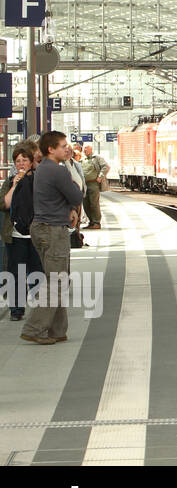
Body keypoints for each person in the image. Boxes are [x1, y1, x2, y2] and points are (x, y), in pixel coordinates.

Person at [22, 132, 83, 344]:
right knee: (57, 281)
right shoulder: (57, 170)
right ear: (51, 149)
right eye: (63, 146)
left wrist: (68, 207)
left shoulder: (43, 169)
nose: (67, 149)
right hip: (53, 230)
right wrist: (72, 201)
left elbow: (59, 198)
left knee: (59, 279)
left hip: (44, 228)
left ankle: (57, 330)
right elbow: (76, 195)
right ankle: (34, 328)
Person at [2, 146, 44, 321]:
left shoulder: (39, 181)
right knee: (16, 272)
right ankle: (16, 309)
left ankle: (41, 308)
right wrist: (14, 185)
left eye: (24, 160)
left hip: (35, 235)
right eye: (18, 161)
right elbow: (4, 204)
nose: (21, 164)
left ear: (31, 162)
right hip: (15, 235)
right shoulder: (10, 181)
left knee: (38, 272)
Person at [81, 143, 108, 229]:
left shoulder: (97, 158)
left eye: (86, 149)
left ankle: (96, 222)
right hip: (85, 184)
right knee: (86, 204)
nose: (85, 150)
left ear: (91, 149)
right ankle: (91, 222)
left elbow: (106, 167)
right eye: (84, 149)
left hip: (93, 184)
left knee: (94, 203)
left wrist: (100, 176)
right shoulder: (83, 159)